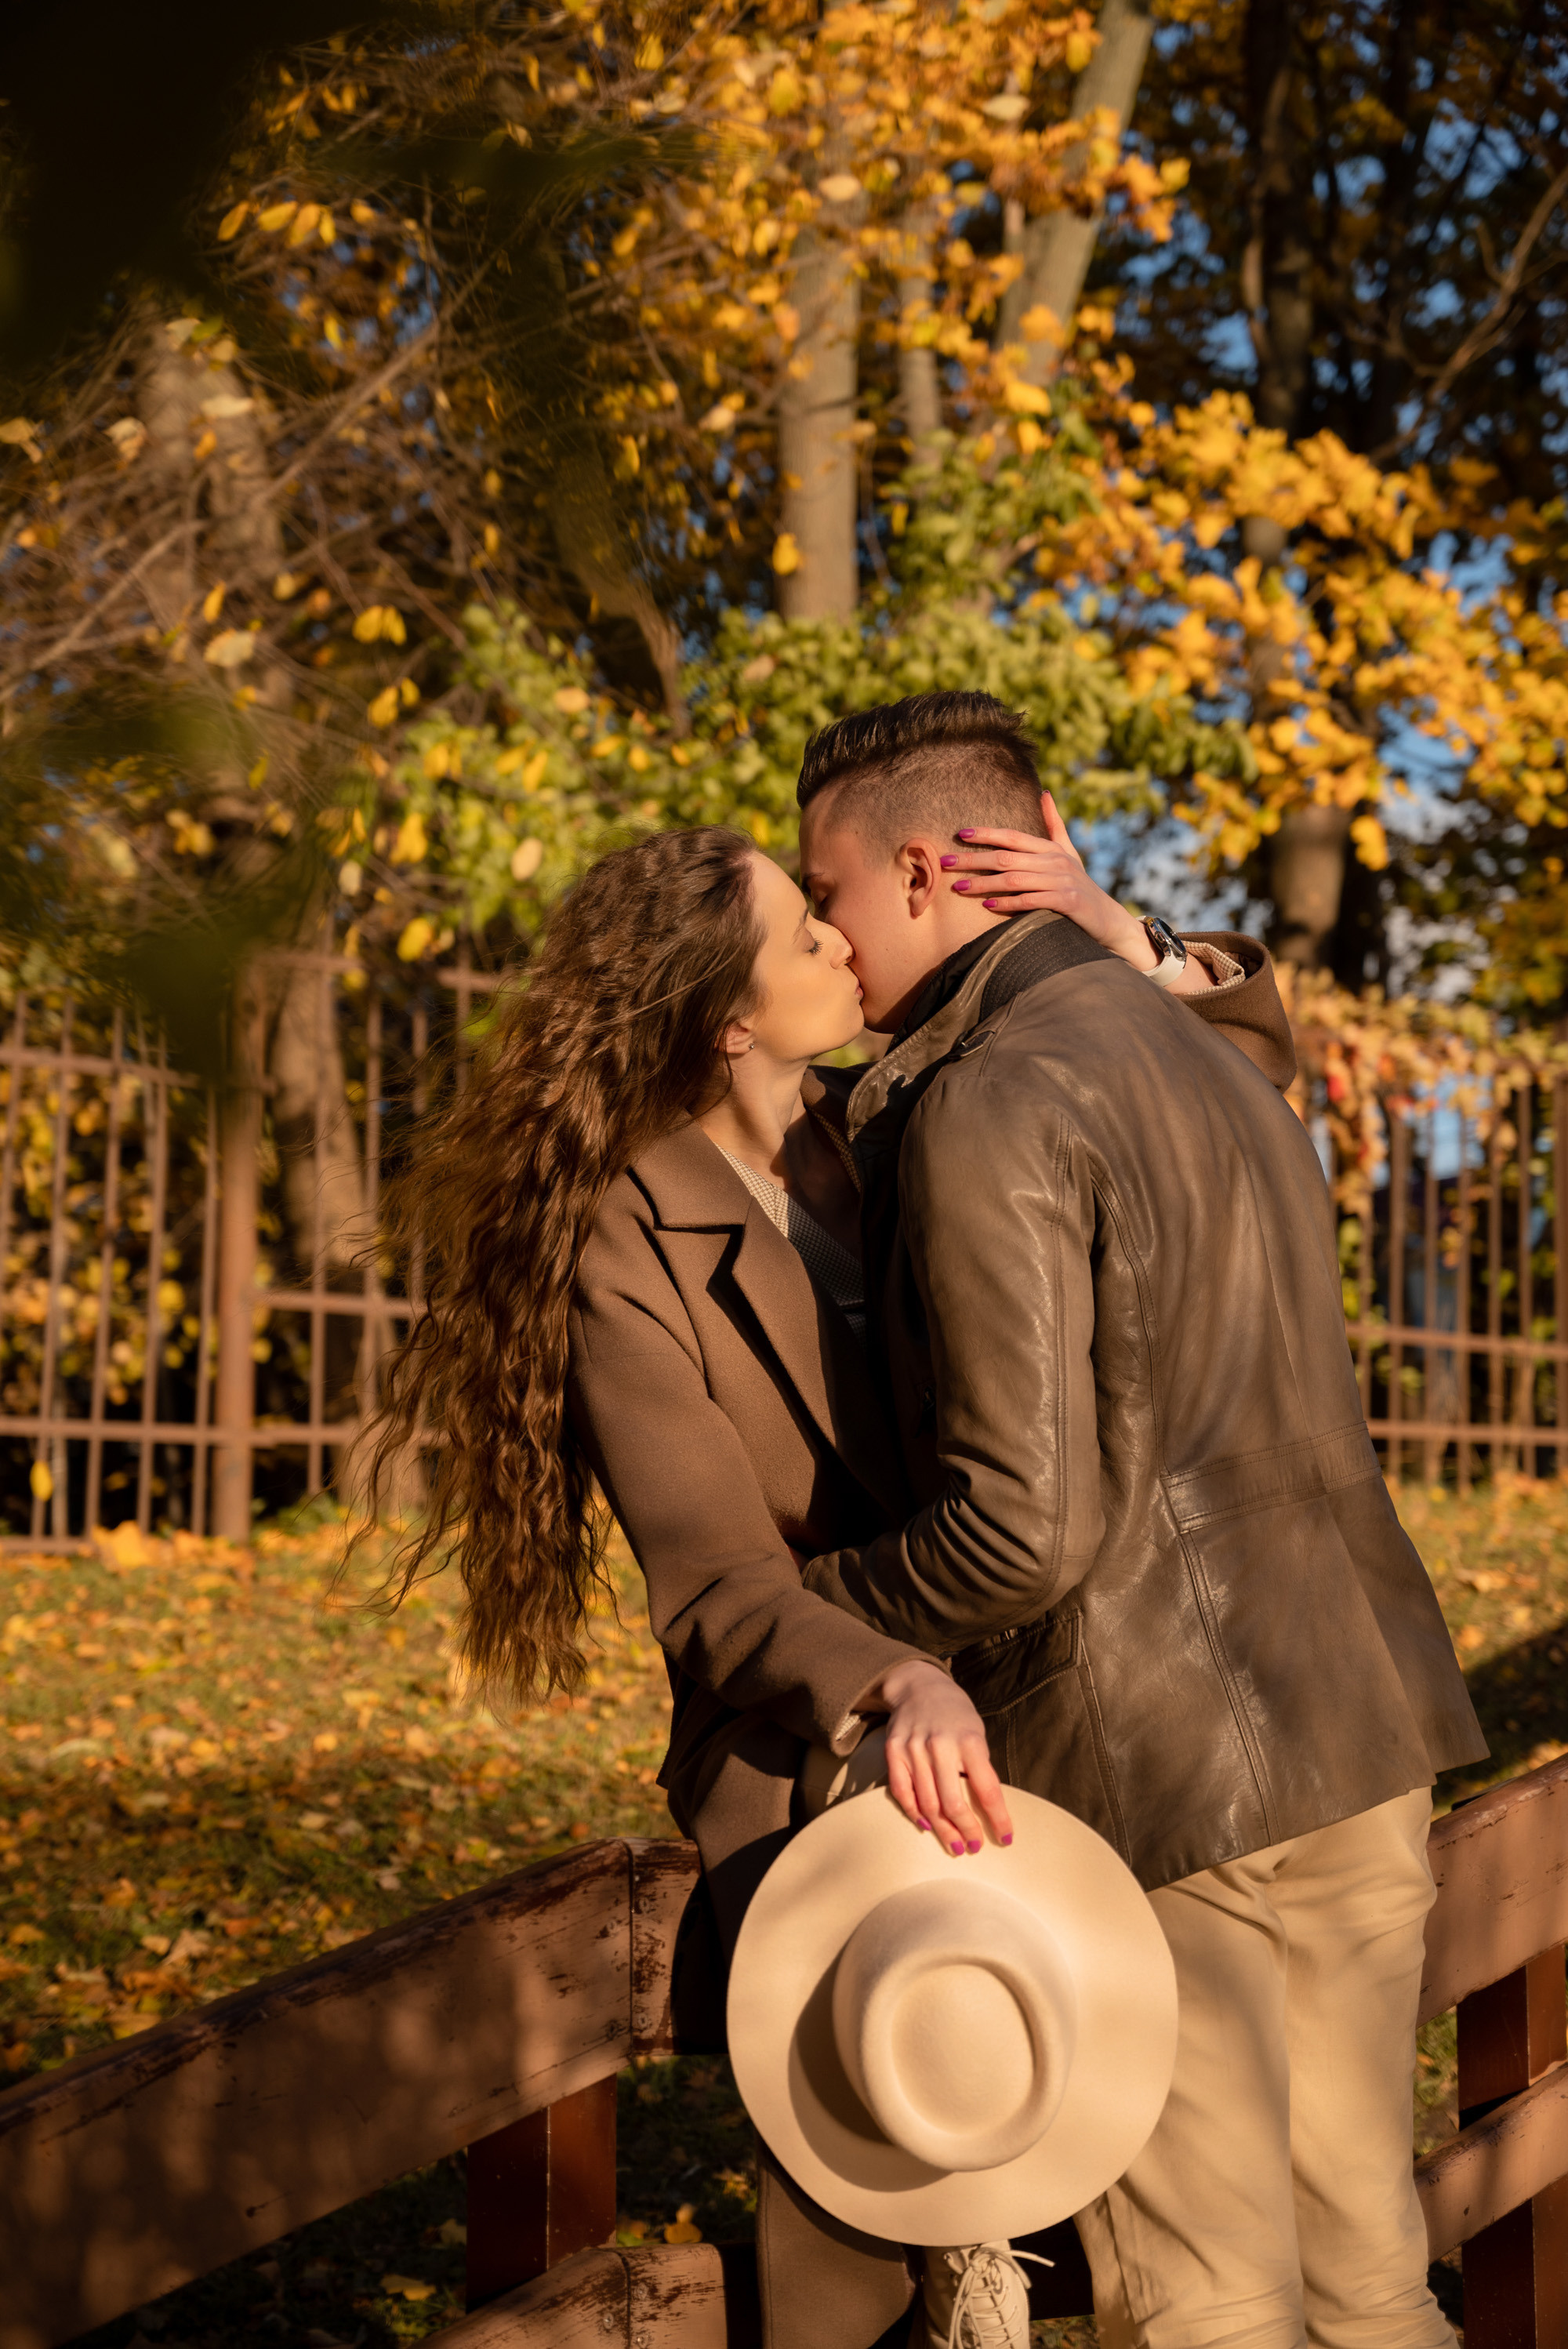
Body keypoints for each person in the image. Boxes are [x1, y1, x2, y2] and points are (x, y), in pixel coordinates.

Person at [358, 814, 1295, 2349]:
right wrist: (889, 1675)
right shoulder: (626, 1237)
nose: (844, 940)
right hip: (818, 1749)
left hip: (1048, 1680)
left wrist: (1124, 933)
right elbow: (717, 1582)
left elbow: (1240, 1086)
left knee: (1152, 2199)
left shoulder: (913, 1109)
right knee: (878, 2209)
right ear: (731, 1018)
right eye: (804, 933)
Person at [790, 692, 1488, 2349]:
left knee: (1207, 2306)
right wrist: (1126, 930)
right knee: (1370, 2275)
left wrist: (816, 1604)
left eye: (827, 896)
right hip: (1357, 1719)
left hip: (1162, 1775)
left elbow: (1020, 1531)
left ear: (914, 870)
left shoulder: (983, 1100)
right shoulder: (1210, 1060)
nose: (828, 940)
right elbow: (1246, 1021)